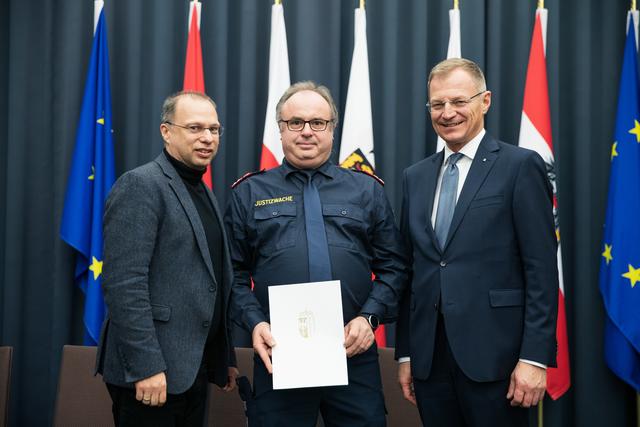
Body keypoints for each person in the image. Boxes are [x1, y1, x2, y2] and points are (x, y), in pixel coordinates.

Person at [225, 81, 408, 427]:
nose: (306, 131)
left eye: (318, 123)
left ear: (332, 129)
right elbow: (230, 274)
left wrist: (370, 318)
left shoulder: (366, 190)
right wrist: (255, 323)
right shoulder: (249, 193)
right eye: (295, 122)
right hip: (278, 355)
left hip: (351, 353)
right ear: (280, 129)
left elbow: (394, 268)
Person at [395, 58, 558, 427]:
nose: (447, 113)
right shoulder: (414, 177)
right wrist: (405, 354)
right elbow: (411, 271)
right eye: (437, 104)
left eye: (458, 101)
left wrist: (534, 359)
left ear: (485, 101)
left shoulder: (520, 167)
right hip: (430, 362)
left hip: (499, 362)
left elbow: (541, 269)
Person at [96, 91, 238, 426]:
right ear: (166, 132)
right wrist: (146, 367)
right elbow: (124, 285)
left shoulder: (202, 191)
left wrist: (222, 356)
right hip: (150, 374)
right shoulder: (140, 185)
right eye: (194, 128)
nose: (207, 138)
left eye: (214, 129)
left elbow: (210, 280)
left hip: (192, 370)